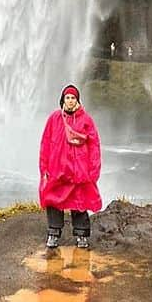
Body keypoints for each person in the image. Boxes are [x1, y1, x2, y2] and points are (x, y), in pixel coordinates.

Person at [39, 84, 102, 251]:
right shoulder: (54, 119)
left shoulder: (86, 120)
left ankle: (81, 235)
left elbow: (94, 146)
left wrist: (94, 170)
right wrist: (43, 167)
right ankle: (53, 233)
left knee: (79, 201)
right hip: (57, 170)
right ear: (63, 100)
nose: (70, 100)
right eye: (67, 97)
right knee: (53, 200)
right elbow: (45, 143)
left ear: (77, 100)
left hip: (79, 171)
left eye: (73, 98)